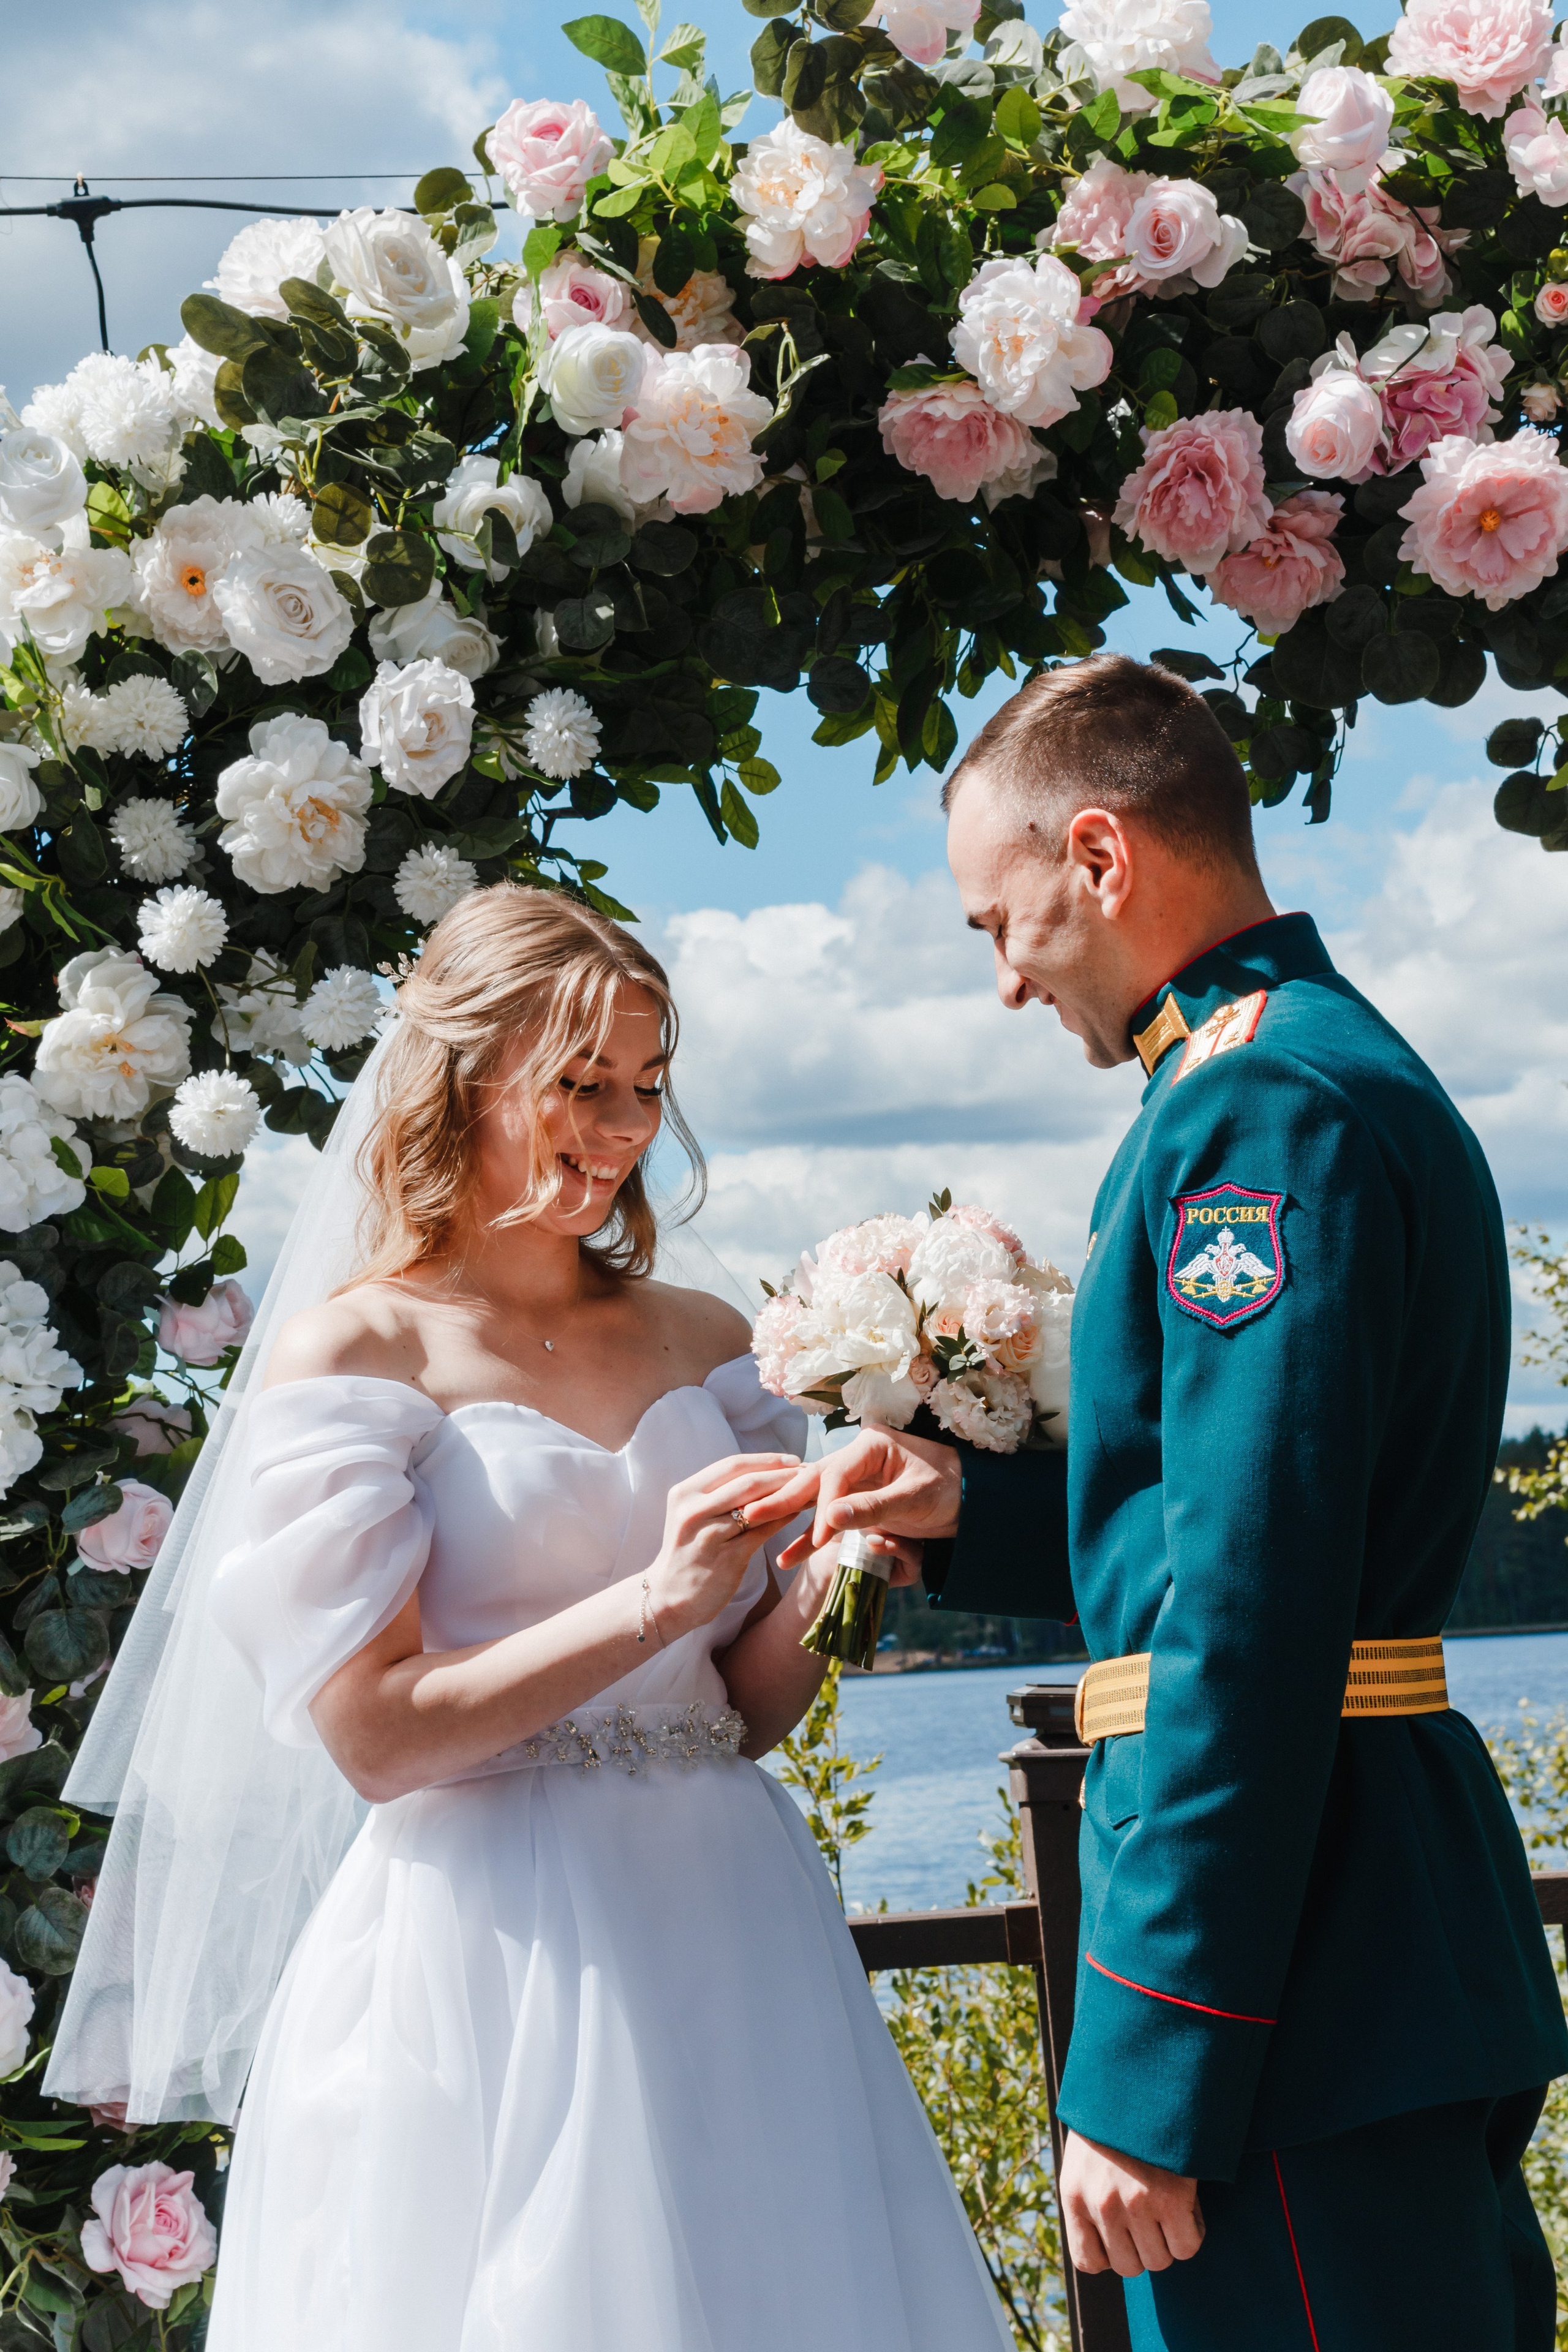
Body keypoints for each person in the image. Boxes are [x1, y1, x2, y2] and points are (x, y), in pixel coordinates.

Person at [48, 886, 1015, 2352]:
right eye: (580, 1086)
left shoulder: (706, 1338)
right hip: (485, 1953)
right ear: (468, 1078)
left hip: (732, 1923)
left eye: (645, 1086)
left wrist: (822, 1586)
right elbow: (372, 1739)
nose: (624, 1126)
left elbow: (740, 1712)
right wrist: (653, 1600)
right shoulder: (362, 1350)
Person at [769, 654, 1568, 2351]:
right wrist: (958, 1513)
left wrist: (1151, 2059)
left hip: (1298, 1986)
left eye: (1001, 920)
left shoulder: (1254, 1106)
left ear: (1104, 857)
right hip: (1359, 1934)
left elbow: (1246, 1611)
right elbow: (1218, 1525)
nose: (1001, 979)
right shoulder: (1296, 1070)